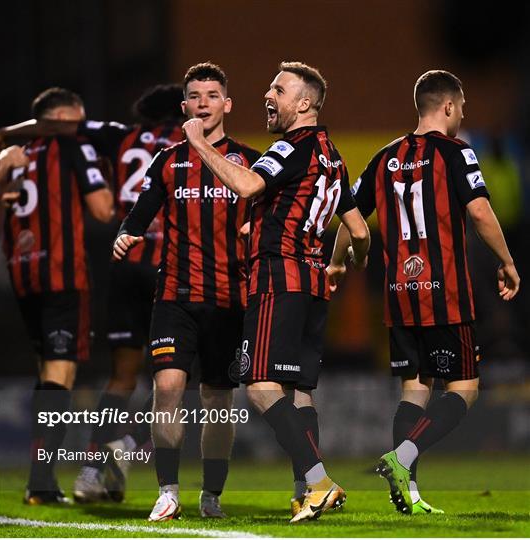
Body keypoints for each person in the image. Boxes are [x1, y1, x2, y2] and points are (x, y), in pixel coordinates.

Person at [182, 61, 370, 523]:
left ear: (303, 103)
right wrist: (341, 263)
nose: (268, 94)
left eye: (278, 89)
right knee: (299, 391)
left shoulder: (291, 145)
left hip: (277, 279)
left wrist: (199, 142)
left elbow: (247, 183)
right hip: (312, 285)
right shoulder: (333, 155)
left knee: (262, 387)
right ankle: (303, 491)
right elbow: (360, 230)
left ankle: (320, 481)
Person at [329, 70, 520, 514]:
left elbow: (350, 213)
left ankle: (409, 496)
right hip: (445, 291)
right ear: (449, 107)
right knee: (465, 388)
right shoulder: (456, 152)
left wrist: (338, 261)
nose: (462, 115)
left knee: (414, 392)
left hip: (399, 292)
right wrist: (507, 262)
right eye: (462, 107)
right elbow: (479, 211)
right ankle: (403, 457)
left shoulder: (384, 158)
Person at [0, 84, 187, 503]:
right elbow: (102, 206)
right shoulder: (193, 138)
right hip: (169, 268)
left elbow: (58, 124)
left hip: (117, 265)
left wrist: (8, 134)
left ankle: (90, 469)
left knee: (121, 374)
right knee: (183, 377)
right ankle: (121, 452)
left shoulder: (122, 135)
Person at [113, 63, 260, 520]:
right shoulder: (169, 160)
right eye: (195, 96)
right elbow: (141, 213)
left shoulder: (251, 161)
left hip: (229, 300)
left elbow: (265, 218)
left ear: (227, 104)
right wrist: (127, 234)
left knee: (218, 399)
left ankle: (210, 493)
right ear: (184, 107)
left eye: (213, 94)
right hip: (175, 295)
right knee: (169, 386)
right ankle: (168, 490)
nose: (203, 103)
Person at [1, 87, 113, 505]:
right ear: (64, 116)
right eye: (79, 117)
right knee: (60, 377)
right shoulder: (71, 145)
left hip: (23, 273)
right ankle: (41, 481)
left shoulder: (15, 153)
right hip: (62, 273)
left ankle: (39, 479)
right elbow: (102, 209)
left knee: (47, 371)